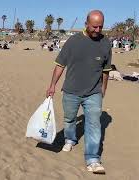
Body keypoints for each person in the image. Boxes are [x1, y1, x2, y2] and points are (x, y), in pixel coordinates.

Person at [46, 10, 112, 174]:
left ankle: (93, 159)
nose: (98, 30)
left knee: (94, 125)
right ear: (86, 24)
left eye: (101, 27)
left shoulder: (105, 44)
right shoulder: (73, 41)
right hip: (71, 91)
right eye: (94, 27)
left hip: (93, 93)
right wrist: (52, 85)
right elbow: (60, 65)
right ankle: (70, 139)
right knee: (69, 119)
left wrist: (103, 88)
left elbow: (106, 70)